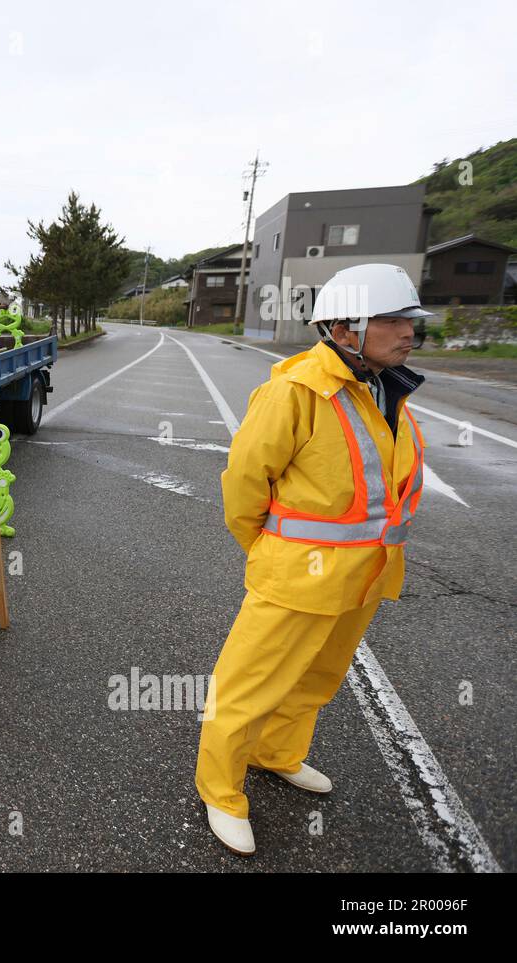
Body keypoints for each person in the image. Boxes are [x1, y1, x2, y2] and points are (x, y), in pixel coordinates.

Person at [196, 263, 431, 856]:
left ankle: (278, 755)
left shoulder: (387, 385)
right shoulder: (296, 390)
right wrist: (266, 550)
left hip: (365, 576)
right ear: (345, 327)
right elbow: (245, 484)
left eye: (410, 320)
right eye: (393, 319)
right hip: (296, 576)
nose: (409, 331)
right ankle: (220, 792)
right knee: (246, 687)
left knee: (318, 679)